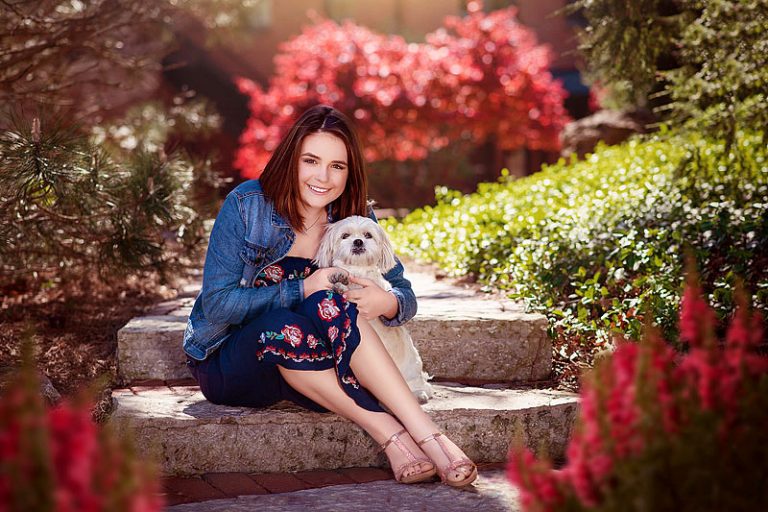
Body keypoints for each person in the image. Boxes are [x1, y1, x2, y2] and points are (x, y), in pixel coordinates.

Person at [182, 105, 477, 487]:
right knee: (282, 323)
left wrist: (385, 302)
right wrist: (302, 286)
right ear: (291, 159)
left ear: (349, 172)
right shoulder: (246, 205)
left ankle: (431, 436)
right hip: (232, 363)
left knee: (333, 302)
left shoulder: (353, 213)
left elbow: (403, 292)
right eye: (311, 161)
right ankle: (391, 435)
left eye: (337, 166)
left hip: (315, 368)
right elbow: (218, 303)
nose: (324, 177)